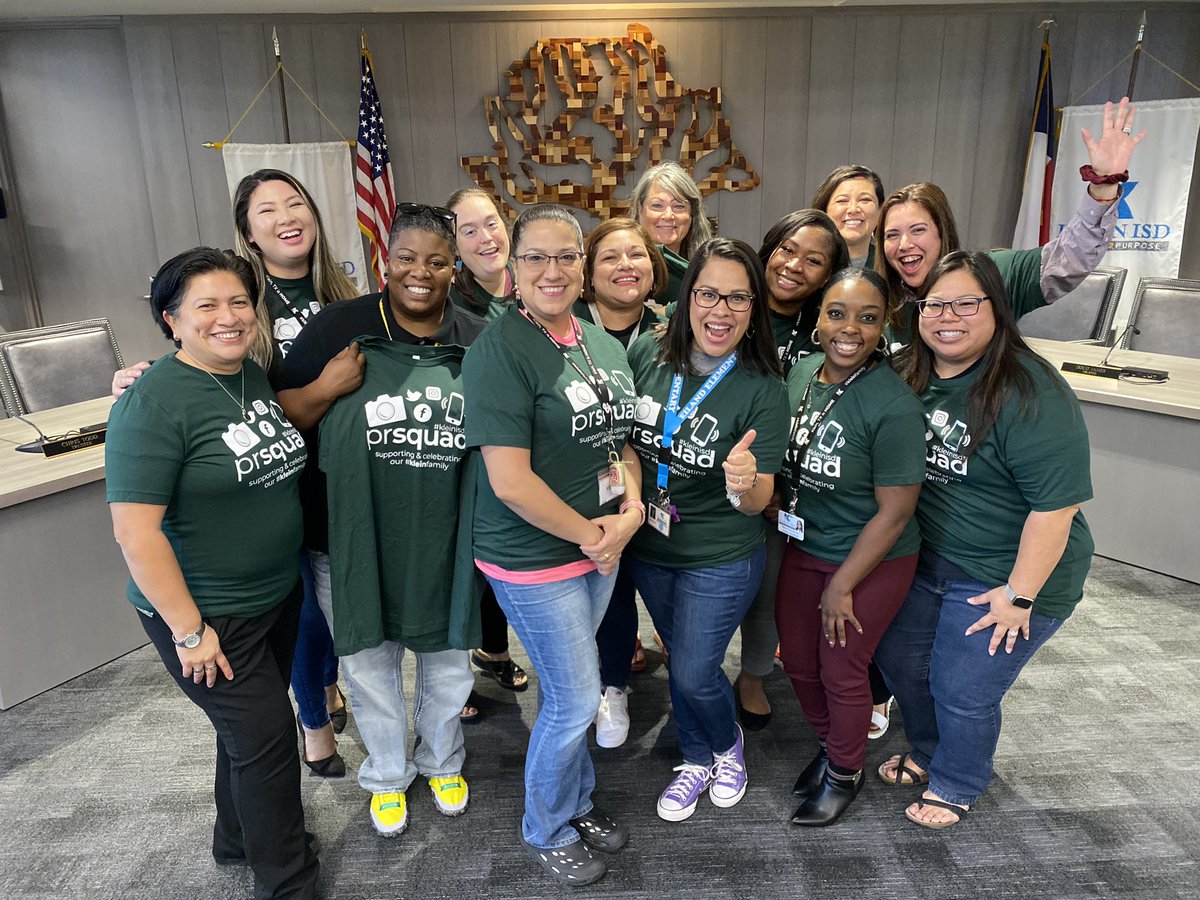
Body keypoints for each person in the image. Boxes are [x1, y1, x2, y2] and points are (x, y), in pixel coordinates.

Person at [112, 169, 358, 777]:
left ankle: (325, 690)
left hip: (331, 477)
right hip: (256, 478)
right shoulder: (238, 305)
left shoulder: (347, 291)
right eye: (267, 210)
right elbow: (200, 380)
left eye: (296, 203)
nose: (286, 217)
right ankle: (313, 724)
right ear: (247, 233)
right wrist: (142, 378)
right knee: (298, 618)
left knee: (321, 607)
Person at [107, 247, 317, 899]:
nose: (228, 317)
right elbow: (135, 533)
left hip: (272, 598)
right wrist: (190, 631)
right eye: (206, 306)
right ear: (171, 319)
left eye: (238, 303)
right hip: (208, 614)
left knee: (245, 736)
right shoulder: (151, 403)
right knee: (268, 740)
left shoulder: (245, 374)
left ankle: (236, 838)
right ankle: (287, 882)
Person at [276, 203, 486, 839]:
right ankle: (388, 775)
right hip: (349, 539)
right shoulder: (338, 330)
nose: (419, 273)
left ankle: (441, 758)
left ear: (455, 268)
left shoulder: (478, 338)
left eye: (436, 261)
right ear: (384, 263)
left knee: (449, 661)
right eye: (406, 259)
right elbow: (282, 415)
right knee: (369, 665)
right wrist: (329, 388)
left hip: (449, 539)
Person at [874, 250, 1094, 829]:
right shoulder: (907, 374)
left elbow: (1056, 508)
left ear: (996, 309)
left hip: (1014, 572)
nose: (948, 315)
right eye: (935, 304)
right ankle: (927, 750)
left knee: (962, 687)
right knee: (901, 661)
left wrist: (1019, 596)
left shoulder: (1029, 389)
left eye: (966, 303)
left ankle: (959, 780)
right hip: (930, 559)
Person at [463, 204, 644, 886]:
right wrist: (595, 535)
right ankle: (546, 826)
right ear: (511, 268)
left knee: (582, 687)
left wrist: (629, 510)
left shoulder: (598, 340)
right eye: (535, 257)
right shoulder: (499, 351)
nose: (553, 270)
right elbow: (509, 482)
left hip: (599, 543)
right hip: (535, 555)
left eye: (567, 256)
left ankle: (577, 800)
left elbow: (618, 438)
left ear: (585, 267)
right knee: (574, 698)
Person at [625, 237, 789, 822]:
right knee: (684, 667)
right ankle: (695, 757)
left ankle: (726, 746)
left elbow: (760, 501)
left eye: (738, 298)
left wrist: (745, 482)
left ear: (754, 308)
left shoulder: (762, 385)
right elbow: (627, 442)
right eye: (709, 294)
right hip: (650, 546)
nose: (721, 311)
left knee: (695, 669)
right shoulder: (648, 355)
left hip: (721, 552)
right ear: (687, 295)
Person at [773, 267, 926, 826]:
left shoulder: (893, 404)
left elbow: (896, 511)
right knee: (797, 661)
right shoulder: (805, 374)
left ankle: (845, 771)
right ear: (818, 318)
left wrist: (842, 585)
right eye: (837, 313)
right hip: (807, 543)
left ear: (884, 325)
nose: (850, 329)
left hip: (870, 558)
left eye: (867, 317)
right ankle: (833, 745)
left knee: (842, 670)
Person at [875, 98, 1144, 343]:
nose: (904, 244)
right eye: (892, 235)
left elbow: (1070, 257)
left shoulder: (995, 273)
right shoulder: (878, 299)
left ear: (941, 231)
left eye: (918, 230)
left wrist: (1104, 186)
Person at [731, 210, 849, 732]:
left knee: (768, 587)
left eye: (814, 260)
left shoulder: (827, 328)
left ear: (827, 276)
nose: (794, 265)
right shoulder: (734, 306)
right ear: (768, 248)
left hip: (788, 492)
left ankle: (753, 676)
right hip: (714, 471)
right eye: (787, 249)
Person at [576, 217, 667, 748]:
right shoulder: (563, 327)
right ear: (588, 271)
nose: (625, 266)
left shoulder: (671, 330)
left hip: (655, 481)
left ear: (655, 271)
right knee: (605, 588)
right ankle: (611, 686)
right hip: (584, 484)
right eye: (610, 256)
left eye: (637, 256)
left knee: (655, 579)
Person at [443, 187, 529, 711]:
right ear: (454, 245)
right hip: (472, 447)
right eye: (467, 230)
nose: (484, 237)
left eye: (490, 223)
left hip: (537, 442)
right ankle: (461, 677)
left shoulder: (538, 280)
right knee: (469, 567)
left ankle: (494, 651)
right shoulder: (450, 301)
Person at [630, 161, 714, 304]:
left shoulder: (710, 267)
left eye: (679, 206)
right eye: (657, 205)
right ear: (640, 208)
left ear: (692, 214)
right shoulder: (621, 267)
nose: (668, 216)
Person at [811, 165, 885, 268]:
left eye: (865, 200)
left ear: (880, 210)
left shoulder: (891, 266)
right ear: (824, 210)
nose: (853, 209)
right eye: (842, 201)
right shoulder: (809, 263)